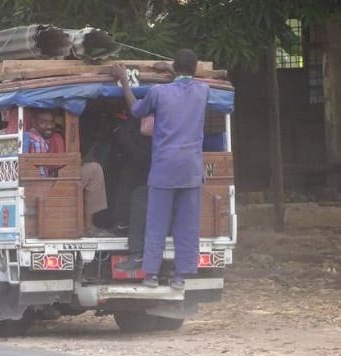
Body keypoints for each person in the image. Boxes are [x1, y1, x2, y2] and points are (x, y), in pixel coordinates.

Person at [112, 48, 209, 289]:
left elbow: (136, 110)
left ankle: (150, 276)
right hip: (191, 169)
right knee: (186, 226)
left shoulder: (159, 93)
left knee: (156, 222)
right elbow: (191, 83)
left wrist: (124, 81)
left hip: (165, 167)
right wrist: (173, 70)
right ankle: (180, 276)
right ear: (195, 69)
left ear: (175, 67)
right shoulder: (203, 91)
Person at [26, 109, 110, 236]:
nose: (49, 126)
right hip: (49, 185)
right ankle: (88, 226)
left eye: (51, 122)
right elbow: (43, 172)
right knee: (94, 170)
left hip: (54, 180)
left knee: (91, 168)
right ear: (33, 122)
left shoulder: (49, 137)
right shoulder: (37, 139)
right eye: (43, 122)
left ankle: (85, 225)